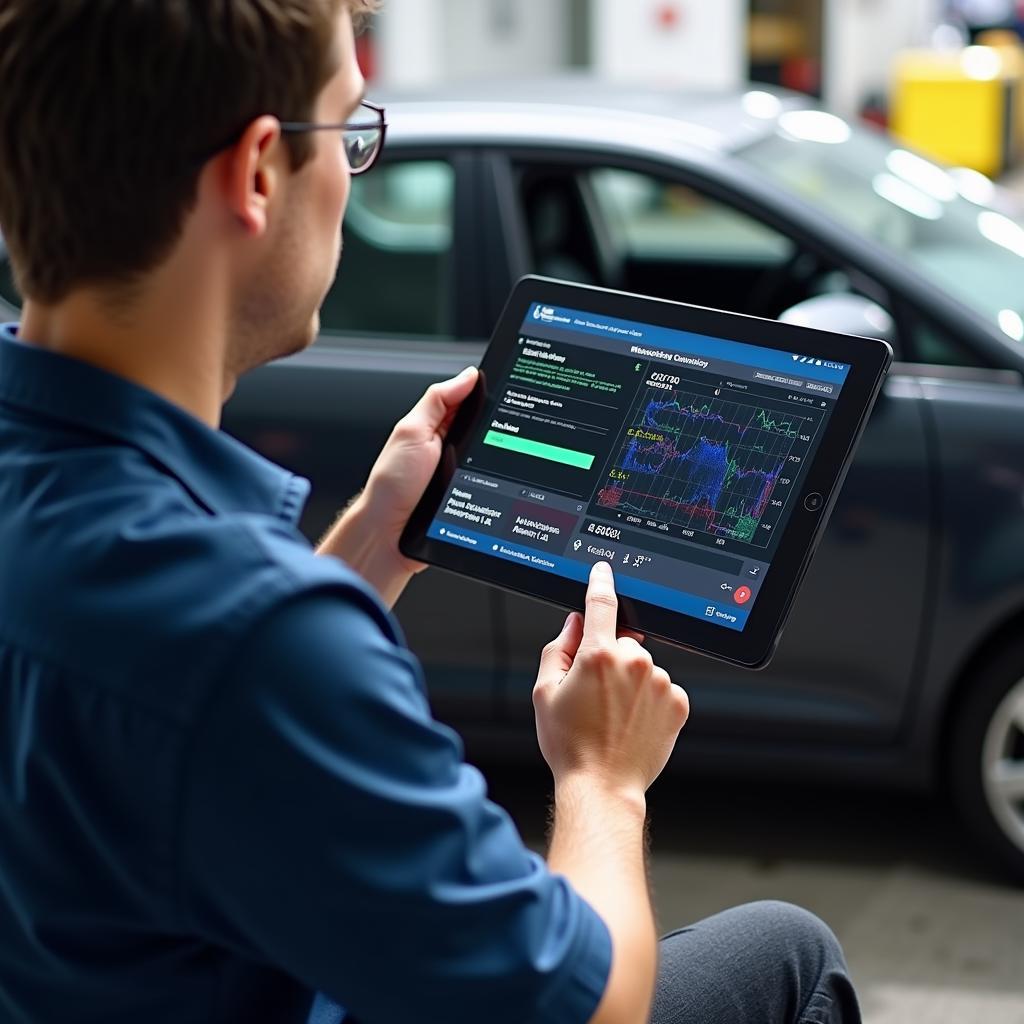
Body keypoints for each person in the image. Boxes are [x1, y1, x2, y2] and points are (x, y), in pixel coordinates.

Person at [0, 2, 861, 1022]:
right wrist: (602, 773)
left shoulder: (136, 561)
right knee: (790, 952)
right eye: (350, 131)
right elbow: (589, 1007)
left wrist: (375, 533)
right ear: (260, 173)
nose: (352, 176)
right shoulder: (258, 639)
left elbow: (177, 713)